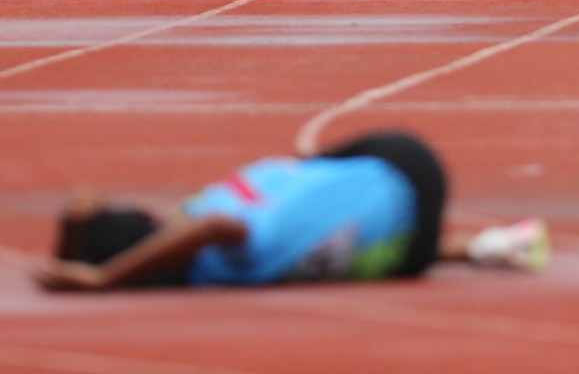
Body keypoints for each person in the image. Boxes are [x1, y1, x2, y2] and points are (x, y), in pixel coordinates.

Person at [31, 130, 549, 291]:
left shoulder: (219, 247)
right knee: (324, 210)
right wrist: (104, 274)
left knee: (362, 255)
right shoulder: (214, 224)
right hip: (394, 156)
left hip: (407, 219)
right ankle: (484, 246)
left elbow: (203, 228)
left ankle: (483, 247)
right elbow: (208, 226)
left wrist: (103, 278)